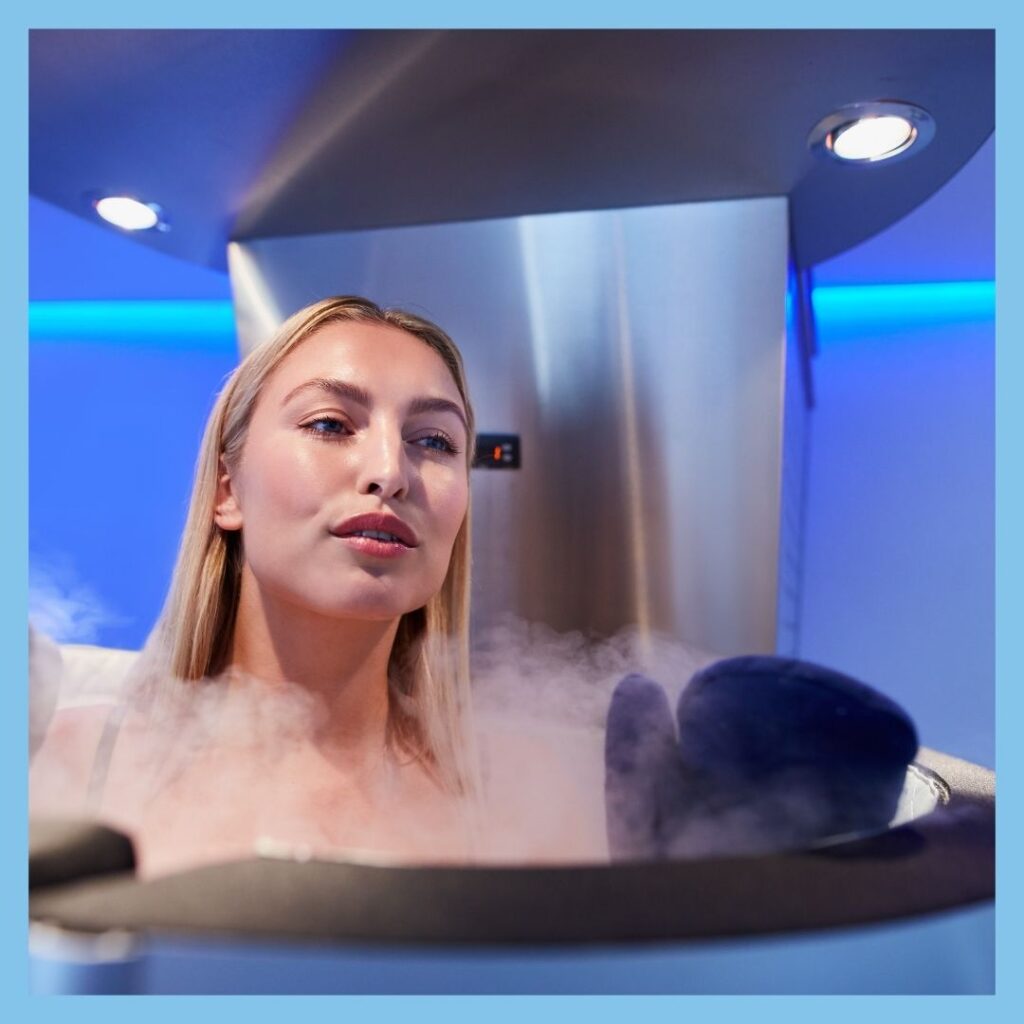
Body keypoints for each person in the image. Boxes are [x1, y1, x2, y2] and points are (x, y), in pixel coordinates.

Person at [30, 296, 608, 876]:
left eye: (433, 441)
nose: (389, 471)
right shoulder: (67, 766)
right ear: (227, 492)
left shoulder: (537, 791)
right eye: (329, 424)